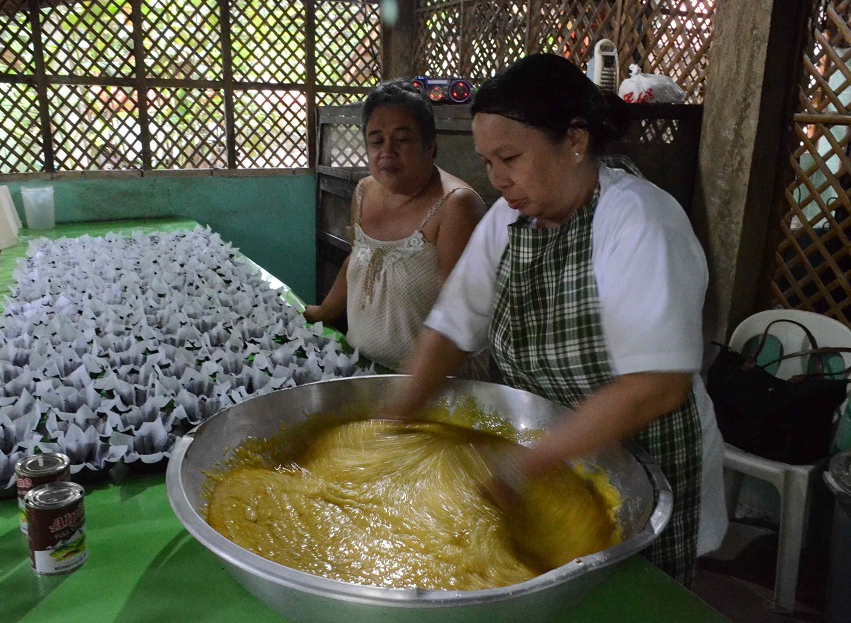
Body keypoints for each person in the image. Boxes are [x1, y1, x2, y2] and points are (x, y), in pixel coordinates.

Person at [383, 54, 727, 585]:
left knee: (632, 597)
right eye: (487, 162)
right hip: (550, 457)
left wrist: (526, 465)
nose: (498, 180)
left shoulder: (638, 222)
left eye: (510, 158)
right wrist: (394, 423)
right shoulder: (508, 220)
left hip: (645, 464)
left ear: (575, 141)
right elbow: (451, 326)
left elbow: (656, 387)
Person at [304, 80, 487, 372]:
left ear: (431, 146)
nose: (386, 151)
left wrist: (413, 390)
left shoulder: (456, 206)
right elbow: (358, 259)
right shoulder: (364, 191)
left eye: (402, 140)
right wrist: (323, 312)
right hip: (364, 369)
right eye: (376, 141)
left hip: (431, 386)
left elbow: (460, 317)